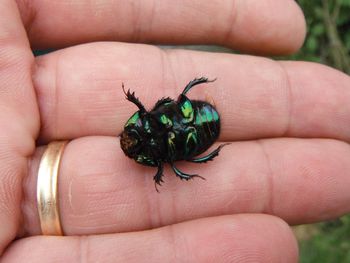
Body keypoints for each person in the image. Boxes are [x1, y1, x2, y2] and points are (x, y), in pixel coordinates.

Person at [1, 0, 349, 262]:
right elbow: (169, 158)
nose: (135, 137)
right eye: (134, 139)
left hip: (197, 118)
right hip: (194, 131)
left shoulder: (144, 127)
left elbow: (156, 114)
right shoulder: (148, 152)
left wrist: (148, 116)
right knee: (181, 142)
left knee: (179, 113)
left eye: (133, 135)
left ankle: (202, 114)